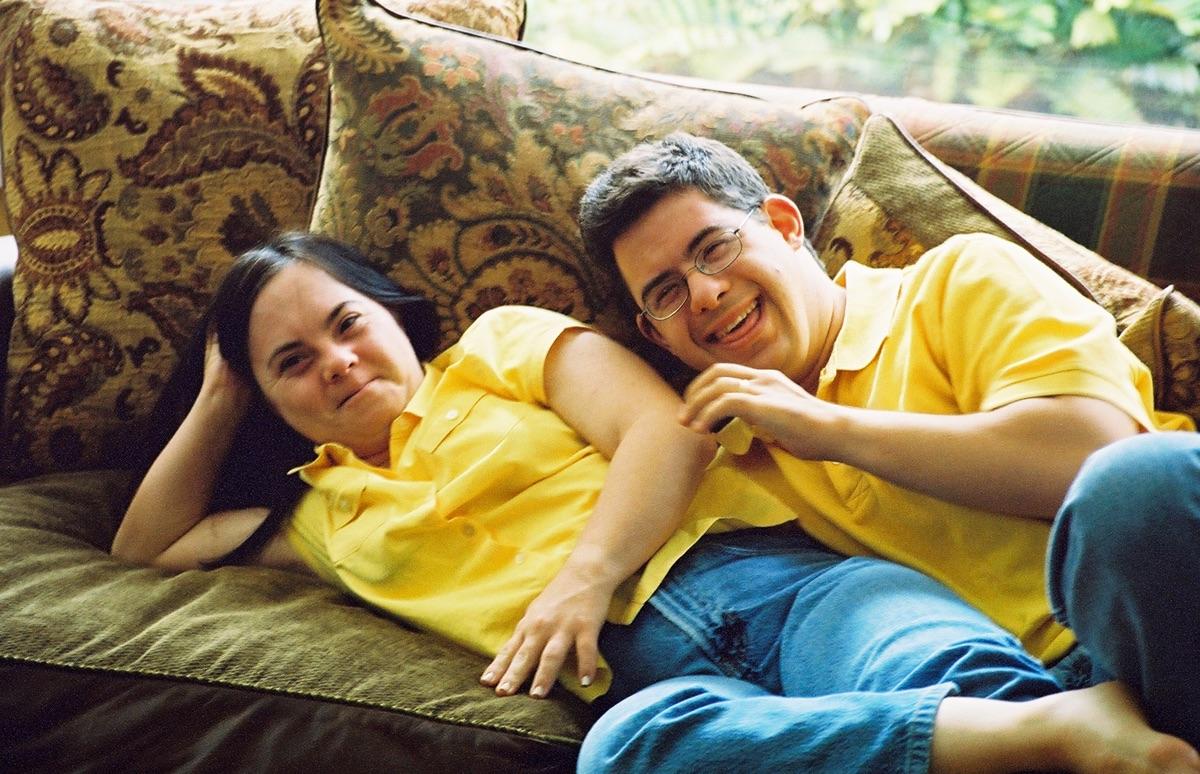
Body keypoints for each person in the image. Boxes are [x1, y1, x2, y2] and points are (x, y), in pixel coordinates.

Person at [111, 232, 1198, 773]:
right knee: (628, 752)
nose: (338, 363)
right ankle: (1060, 733)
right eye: (292, 364)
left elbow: (662, 431)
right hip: (650, 676)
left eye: (346, 323)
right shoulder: (315, 518)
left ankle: (1057, 732)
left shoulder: (498, 346)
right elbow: (148, 547)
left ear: (393, 314)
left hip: (788, 584)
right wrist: (219, 393)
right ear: (272, 400)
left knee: (927, 667)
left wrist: (584, 578)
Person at [577, 131, 1200, 764]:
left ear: (784, 226)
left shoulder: (957, 279)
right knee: (628, 744)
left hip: (1145, 631)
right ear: (657, 337)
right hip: (980, 716)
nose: (705, 294)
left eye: (714, 249)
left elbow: (1088, 454)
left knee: (1139, 482)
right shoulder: (724, 457)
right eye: (666, 293)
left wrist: (828, 428)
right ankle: (1052, 742)